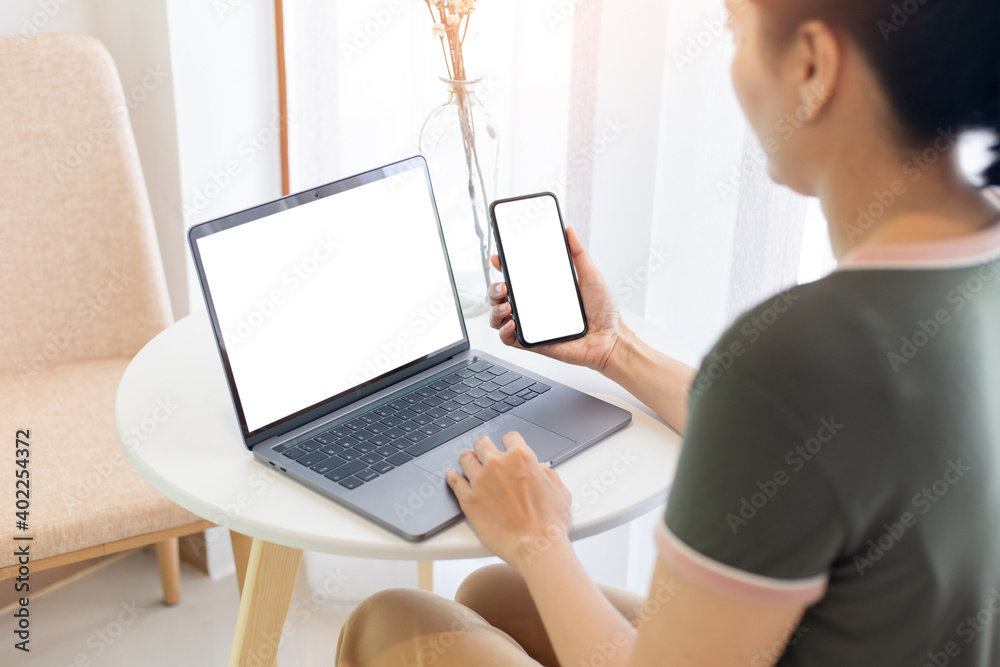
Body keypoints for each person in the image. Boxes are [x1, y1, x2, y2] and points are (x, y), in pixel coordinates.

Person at [336, 0, 1000, 663]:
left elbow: (786, 409)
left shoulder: (798, 355)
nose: (733, 66)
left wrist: (540, 539)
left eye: (735, 33)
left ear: (813, 67)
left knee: (390, 618)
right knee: (496, 592)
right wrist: (614, 348)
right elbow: (808, 441)